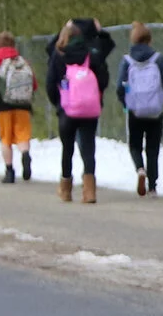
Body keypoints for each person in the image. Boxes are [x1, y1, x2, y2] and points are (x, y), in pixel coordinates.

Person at [46, 18, 115, 203]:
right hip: (89, 108)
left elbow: (50, 83)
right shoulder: (91, 55)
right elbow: (103, 77)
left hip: (67, 108)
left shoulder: (58, 55)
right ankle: (90, 191)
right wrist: (95, 96)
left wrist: (59, 103)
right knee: (88, 148)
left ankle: (66, 189)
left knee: (67, 148)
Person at [118, 23, 163, 197]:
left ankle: (140, 169)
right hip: (155, 110)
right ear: (150, 39)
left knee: (135, 145)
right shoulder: (159, 59)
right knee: (152, 148)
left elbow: (120, 86)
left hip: (135, 110)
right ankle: (152, 186)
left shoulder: (127, 61)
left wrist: (126, 103)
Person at [0, 32, 36, 184]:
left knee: (6, 138)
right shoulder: (21, 61)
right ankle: (25, 154)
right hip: (23, 104)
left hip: (3, 105)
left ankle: (9, 171)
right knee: (22, 134)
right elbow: (34, 83)